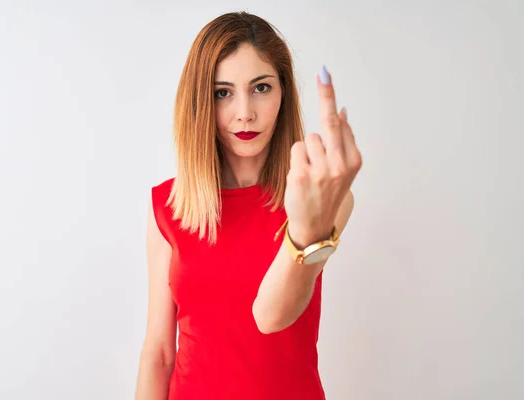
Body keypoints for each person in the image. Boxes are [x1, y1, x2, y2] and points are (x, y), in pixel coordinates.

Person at [135, 11, 362, 400]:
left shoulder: (322, 197)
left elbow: (271, 315)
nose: (245, 112)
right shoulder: (169, 206)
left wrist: (305, 228)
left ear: (283, 92)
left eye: (261, 88)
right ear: (201, 102)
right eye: (223, 92)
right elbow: (158, 353)